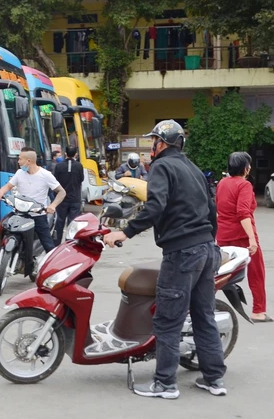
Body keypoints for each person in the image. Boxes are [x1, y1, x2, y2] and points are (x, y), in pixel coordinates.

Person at [104, 120, 226, 399]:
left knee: (168, 319)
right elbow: (211, 209)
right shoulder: (192, 168)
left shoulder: (162, 167)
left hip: (182, 253)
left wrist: (125, 232)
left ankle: (165, 383)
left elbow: (155, 205)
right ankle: (214, 380)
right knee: (204, 317)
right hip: (207, 248)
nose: (151, 146)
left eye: (154, 141)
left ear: (163, 143)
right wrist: (207, 242)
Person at [0, 148, 66, 285]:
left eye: (20, 159)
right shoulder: (20, 173)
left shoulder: (46, 175)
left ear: (29, 161)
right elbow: (8, 187)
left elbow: (61, 192)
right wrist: (0, 193)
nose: (18, 162)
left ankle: (56, 274)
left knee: (49, 245)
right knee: (1, 240)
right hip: (19, 213)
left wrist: (53, 206)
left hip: (38, 215)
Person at [216, 152, 272, 322]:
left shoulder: (222, 183)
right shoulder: (244, 185)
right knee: (256, 273)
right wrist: (252, 240)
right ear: (246, 168)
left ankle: (202, 306)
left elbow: (218, 207)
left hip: (223, 234)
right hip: (242, 236)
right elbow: (243, 213)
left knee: (218, 274)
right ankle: (258, 311)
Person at [53, 145, 85, 243]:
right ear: (76, 154)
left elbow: (55, 182)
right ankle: (70, 243)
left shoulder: (58, 166)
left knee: (59, 222)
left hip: (61, 199)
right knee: (72, 223)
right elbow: (81, 179)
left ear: (65, 154)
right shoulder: (79, 166)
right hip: (75, 198)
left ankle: (56, 244)